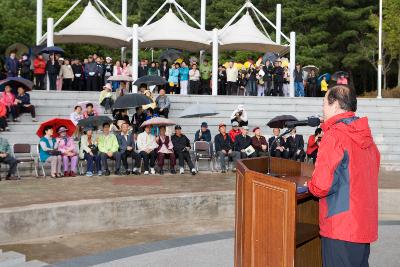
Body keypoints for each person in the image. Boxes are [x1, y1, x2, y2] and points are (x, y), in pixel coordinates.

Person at [307, 85, 380, 266]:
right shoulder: (367, 137)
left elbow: (321, 186)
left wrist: (309, 184)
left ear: (335, 105)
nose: (322, 109)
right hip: (363, 224)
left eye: (324, 103)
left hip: (339, 226)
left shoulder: (334, 135)